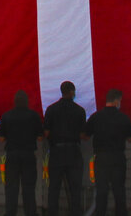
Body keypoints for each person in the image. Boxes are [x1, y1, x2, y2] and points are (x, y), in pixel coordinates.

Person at [85, 89, 131, 216]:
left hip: (101, 157)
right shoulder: (123, 117)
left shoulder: (96, 116)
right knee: (119, 190)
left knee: (101, 190)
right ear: (117, 101)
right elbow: (130, 139)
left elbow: (85, 135)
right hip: (118, 156)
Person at [44, 81, 87, 216]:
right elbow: (82, 134)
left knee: (54, 188)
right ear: (72, 92)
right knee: (75, 188)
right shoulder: (79, 110)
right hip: (73, 152)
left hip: (56, 151)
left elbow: (46, 133)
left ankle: (52, 213)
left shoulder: (51, 109)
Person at [0, 90, 44, 216]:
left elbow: (1, 138)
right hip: (28, 154)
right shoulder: (34, 116)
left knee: (11, 187)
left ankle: (10, 213)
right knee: (28, 187)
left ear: (14, 101)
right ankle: (30, 212)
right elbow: (40, 137)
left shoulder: (7, 116)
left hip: (12, 154)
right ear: (27, 101)